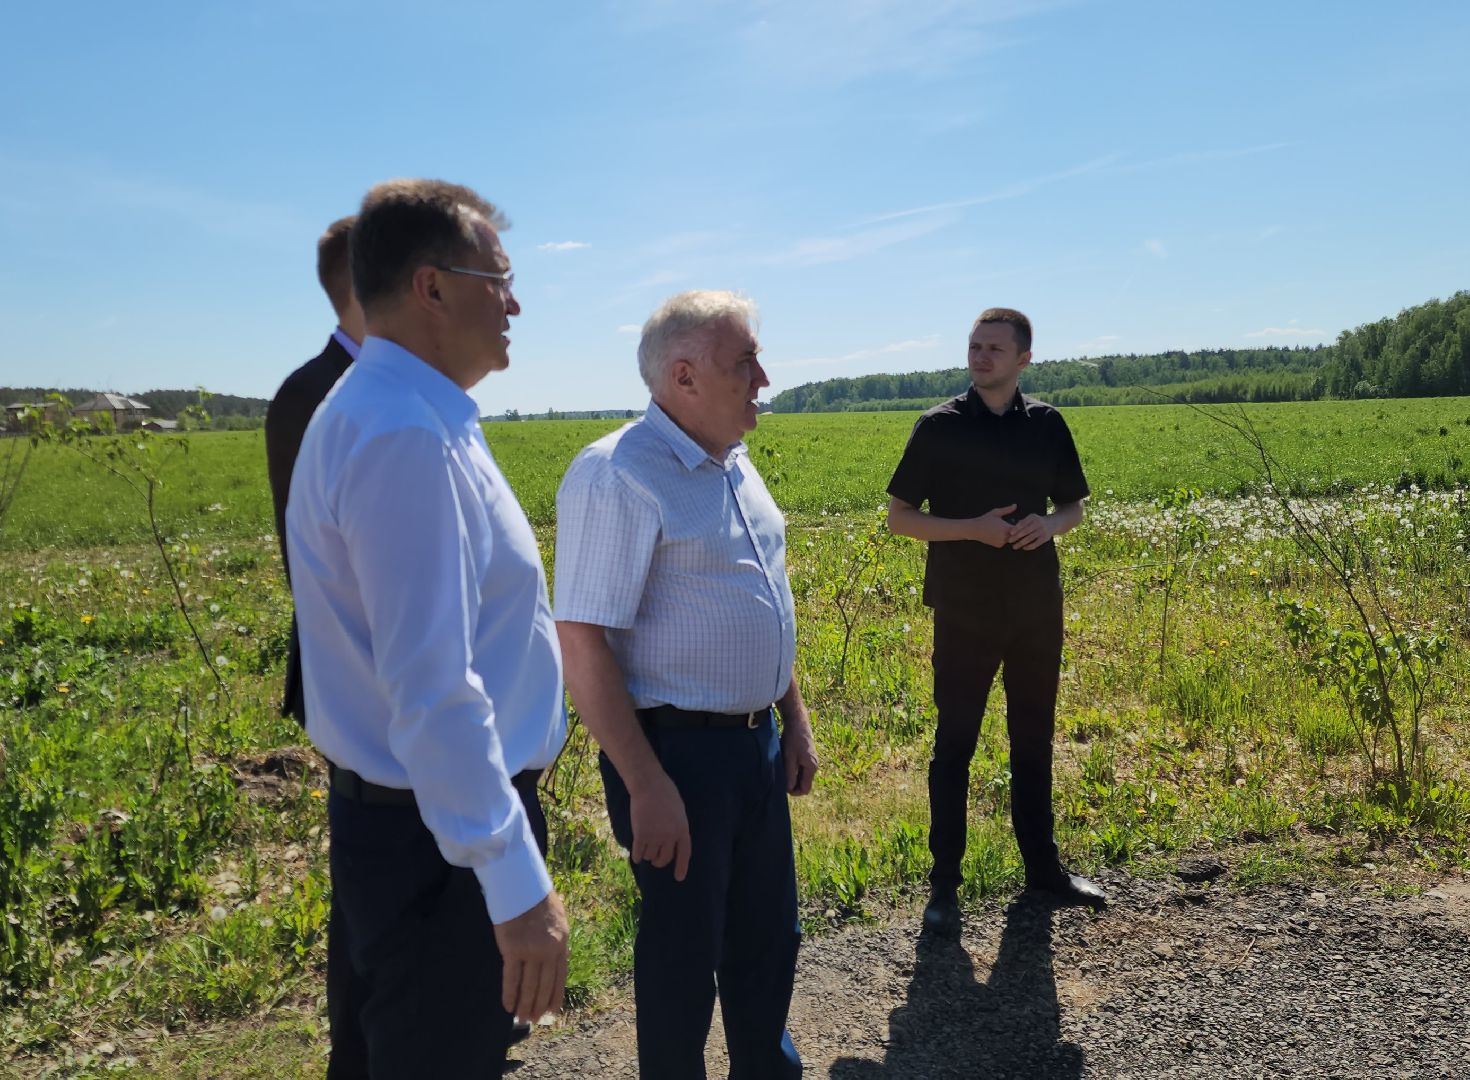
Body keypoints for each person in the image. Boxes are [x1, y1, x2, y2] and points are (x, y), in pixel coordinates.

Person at [286, 179, 569, 1078]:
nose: (515, 300)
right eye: (500, 276)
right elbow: (433, 688)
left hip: (421, 831)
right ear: (431, 287)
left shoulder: (406, 412)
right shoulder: (402, 433)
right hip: (439, 852)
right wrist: (515, 885)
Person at [554, 290, 819, 1080]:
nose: (763, 377)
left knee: (768, 934)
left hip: (754, 746)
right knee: (683, 950)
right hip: (673, 755)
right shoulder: (618, 475)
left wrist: (792, 719)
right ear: (683, 376)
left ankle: (765, 1070)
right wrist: (646, 784)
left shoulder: (732, 461)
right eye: (744, 362)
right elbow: (583, 641)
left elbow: (764, 598)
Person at [886, 307, 1103, 937]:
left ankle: (1045, 872)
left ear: (1023, 359)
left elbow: (1074, 506)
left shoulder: (1048, 424)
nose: (980, 357)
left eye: (994, 349)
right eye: (974, 347)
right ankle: (944, 888)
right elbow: (901, 517)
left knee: (1033, 741)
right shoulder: (939, 427)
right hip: (965, 610)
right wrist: (972, 531)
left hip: (1037, 606)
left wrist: (1050, 524)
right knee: (955, 747)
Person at [263, 215, 370, 1078]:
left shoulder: (377, 383)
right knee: (370, 880)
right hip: (360, 680)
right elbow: (327, 571)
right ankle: (361, 1048)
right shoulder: (318, 392)